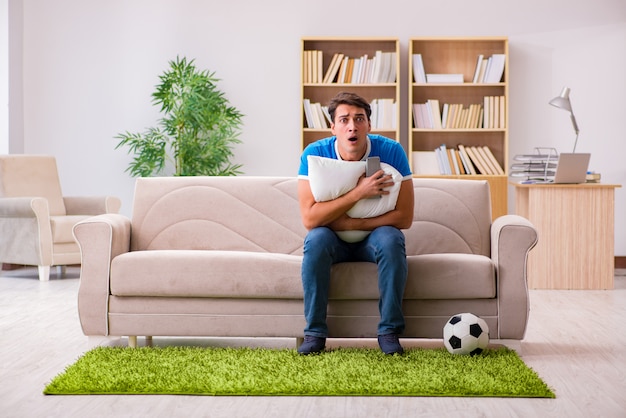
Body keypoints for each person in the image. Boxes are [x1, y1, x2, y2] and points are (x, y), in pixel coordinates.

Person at [297, 92, 414, 355]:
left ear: (369, 126)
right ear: (333, 127)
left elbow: (405, 217)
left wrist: (352, 223)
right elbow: (309, 219)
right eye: (344, 120)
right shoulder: (314, 154)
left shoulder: (391, 151)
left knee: (391, 238)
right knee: (315, 239)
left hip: (373, 239)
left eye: (359, 119)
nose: (352, 126)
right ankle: (314, 332)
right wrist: (359, 192)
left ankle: (389, 331)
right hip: (331, 240)